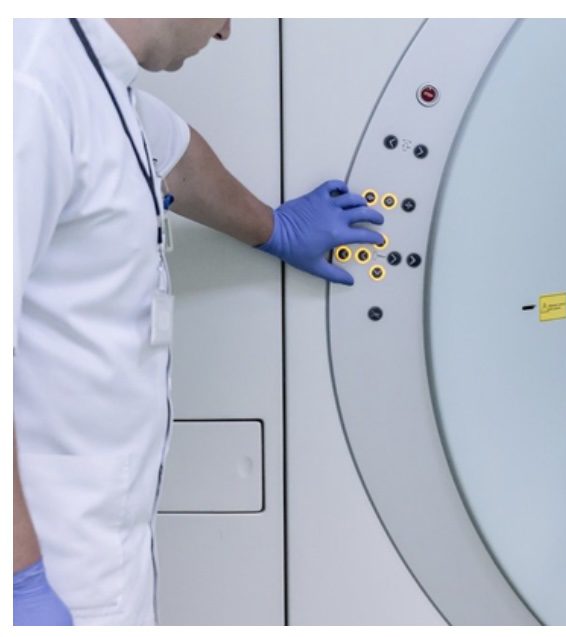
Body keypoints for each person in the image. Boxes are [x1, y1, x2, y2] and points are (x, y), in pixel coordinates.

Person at [12, 18, 384, 625]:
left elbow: (175, 158)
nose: (228, 31)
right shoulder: (30, 85)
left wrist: (274, 227)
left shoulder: (100, 78)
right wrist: (18, 581)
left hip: (99, 541)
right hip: (44, 560)